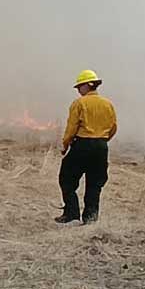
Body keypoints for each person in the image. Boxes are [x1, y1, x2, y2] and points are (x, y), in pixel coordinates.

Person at [57, 69, 118, 225]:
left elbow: (71, 128)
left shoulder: (79, 103)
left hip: (82, 145)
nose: (78, 90)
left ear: (87, 85)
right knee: (95, 184)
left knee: (67, 179)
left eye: (79, 86)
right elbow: (113, 127)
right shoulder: (108, 104)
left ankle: (71, 215)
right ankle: (90, 218)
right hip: (101, 147)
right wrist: (102, 141)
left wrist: (65, 145)